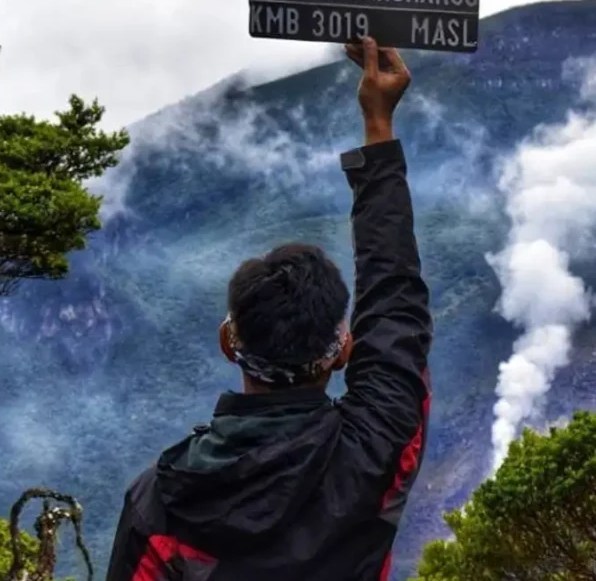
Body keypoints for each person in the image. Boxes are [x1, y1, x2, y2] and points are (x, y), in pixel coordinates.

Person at [105, 36, 432, 581]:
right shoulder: (376, 446)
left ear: (228, 341)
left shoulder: (161, 500)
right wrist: (378, 125)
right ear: (343, 350)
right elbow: (395, 296)